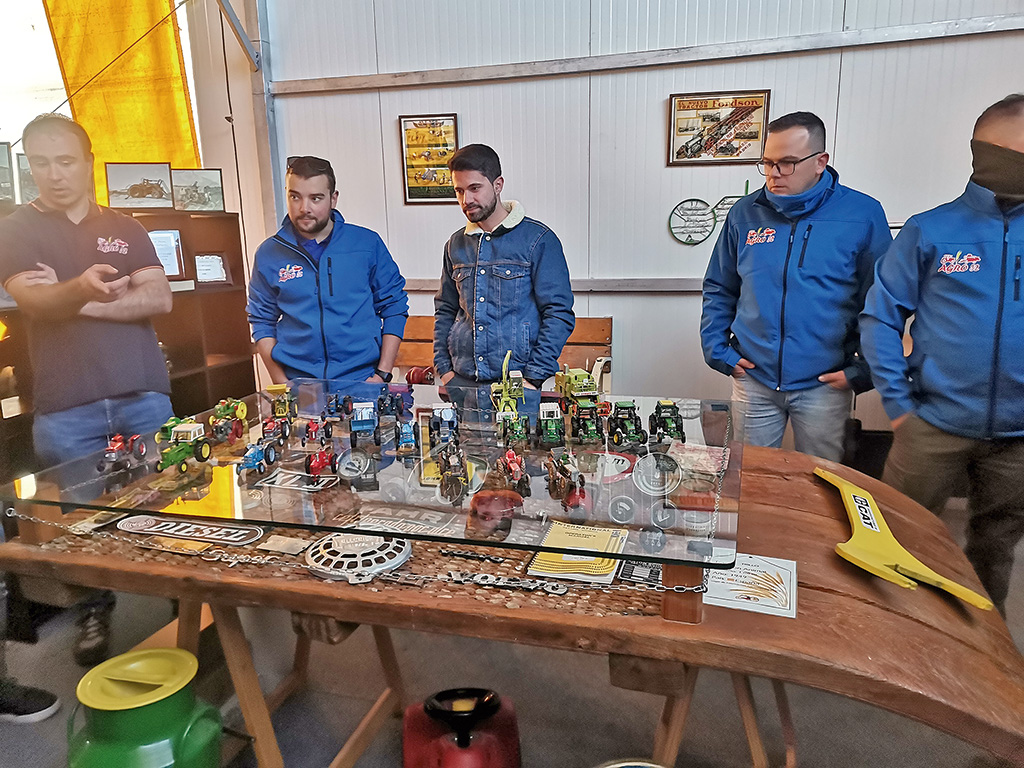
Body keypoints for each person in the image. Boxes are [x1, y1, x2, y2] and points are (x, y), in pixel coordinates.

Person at [0, 114, 175, 666]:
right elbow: (36, 303)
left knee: (173, 502)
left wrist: (75, 297)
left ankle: (185, 594)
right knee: (80, 519)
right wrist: (84, 290)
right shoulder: (15, 230)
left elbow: (160, 300)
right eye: (41, 162)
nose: (54, 174)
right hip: (65, 404)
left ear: (88, 162)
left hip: (143, 393)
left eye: (66, 160)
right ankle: (95, 609)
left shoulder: (128, 228)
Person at [860, 94, 1024, 615]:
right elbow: (881, 315)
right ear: (986, 152)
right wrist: (899, 404)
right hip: (932, 422)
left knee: (993, 549)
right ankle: (888, 633)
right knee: (894, 536)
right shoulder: (932, 230)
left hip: (1017, 439)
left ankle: (979, 650)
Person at [700, 111, 892, 461]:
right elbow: (719, 287)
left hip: (824, 383)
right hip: (754, 378)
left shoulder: (862, 214)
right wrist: (718, 350)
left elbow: (880, 300)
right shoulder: (744, 214)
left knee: (822, 482)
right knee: (751, 479)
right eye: (768, 163)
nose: (774, 174)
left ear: (820, 161)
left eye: (787, 163)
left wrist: (863, 370)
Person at [433, 144, 575, 420]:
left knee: (521, 463)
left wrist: (533, 378)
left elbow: (559, 314)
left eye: (475, 188)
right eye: (459, 191)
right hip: (463, 386)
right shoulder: (455, 245)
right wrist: (445, 370)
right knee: (466, 463)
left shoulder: (538, 240)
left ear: (498, 185)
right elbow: (445, 310)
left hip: (518, 391)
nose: (466, 200)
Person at [247, 155, 409, 385]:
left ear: (333, 199)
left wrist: (382, 374)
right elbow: (261, 320)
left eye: (316, 198)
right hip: (299, 384)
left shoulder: (367, 244)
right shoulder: (268, 253)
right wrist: (281, 383)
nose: (305, 208)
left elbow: (394, 306)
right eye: (295, 197)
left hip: (362, 381)